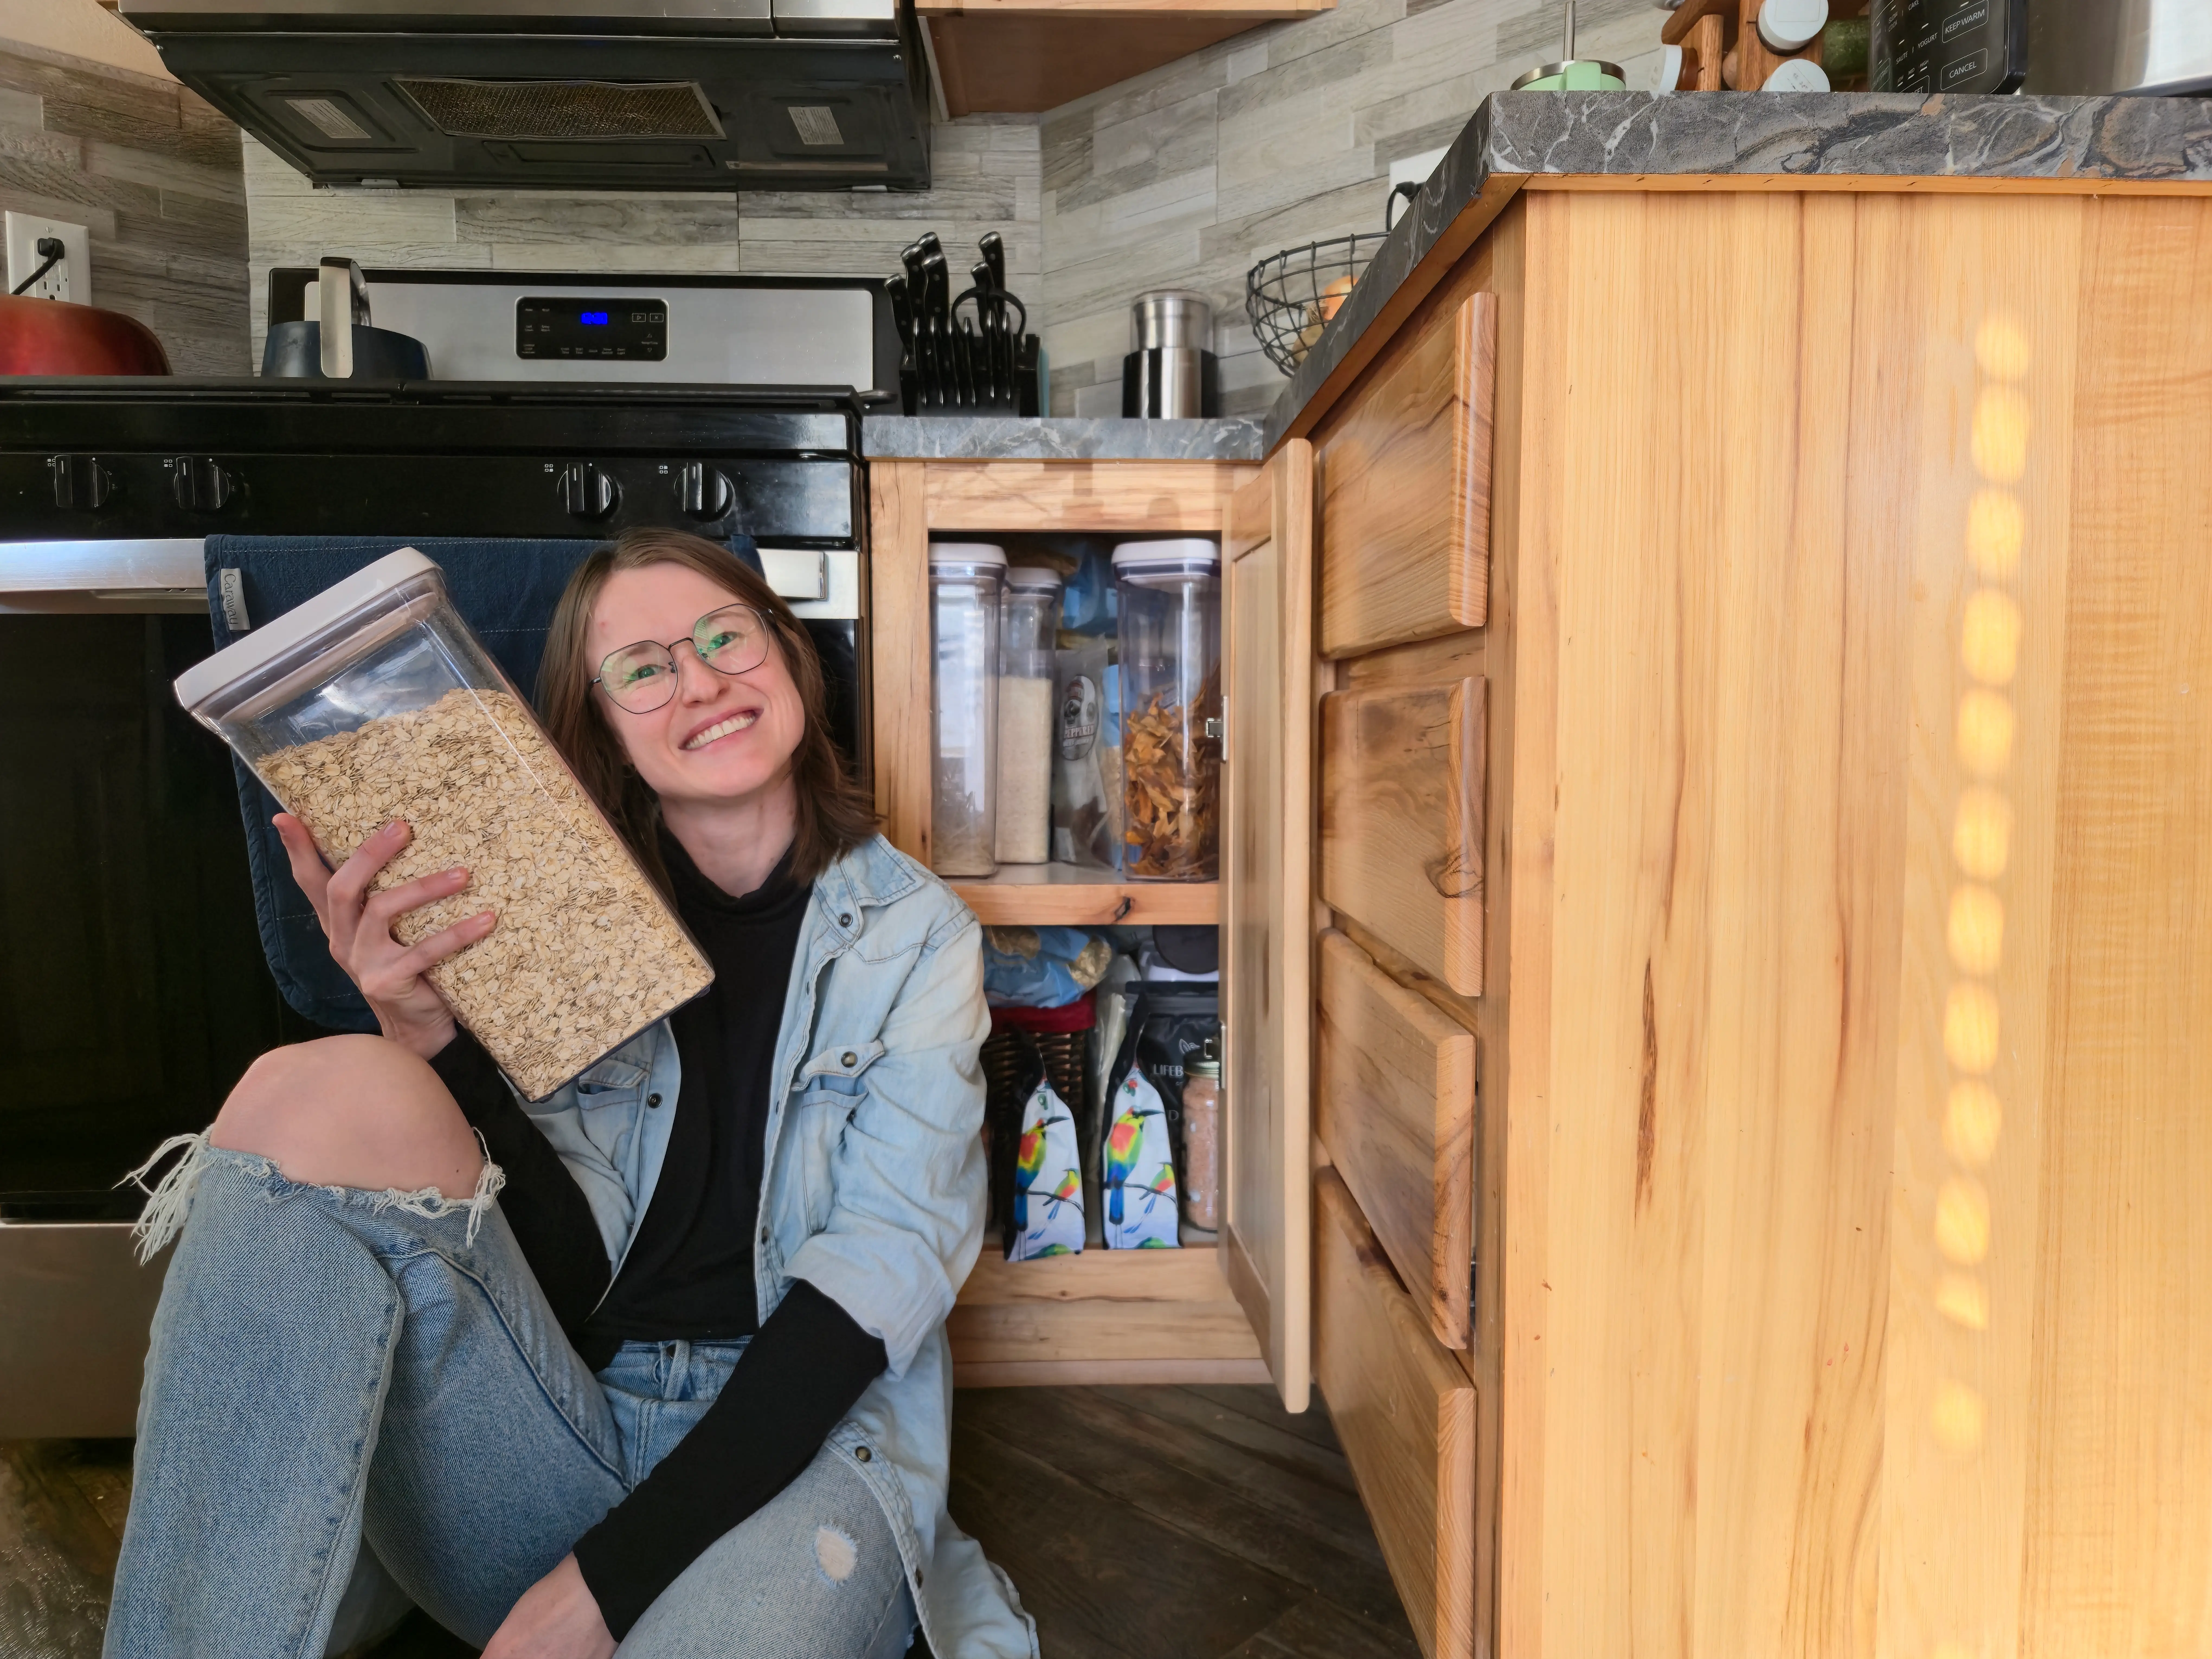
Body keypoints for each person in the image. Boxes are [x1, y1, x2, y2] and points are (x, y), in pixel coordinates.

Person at [104, 529, 1036, 1659]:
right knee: (315, 1088)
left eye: (724, 637)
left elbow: (859, 1309)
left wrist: (593, 1593)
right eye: (643, 669)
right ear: (597, 729)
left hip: (807, 1455)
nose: (698, 679)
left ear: (788, 656)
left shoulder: (918, 940)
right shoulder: (543, 916)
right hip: (553, 1434)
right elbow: (565, 1278)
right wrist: (427, 1042)